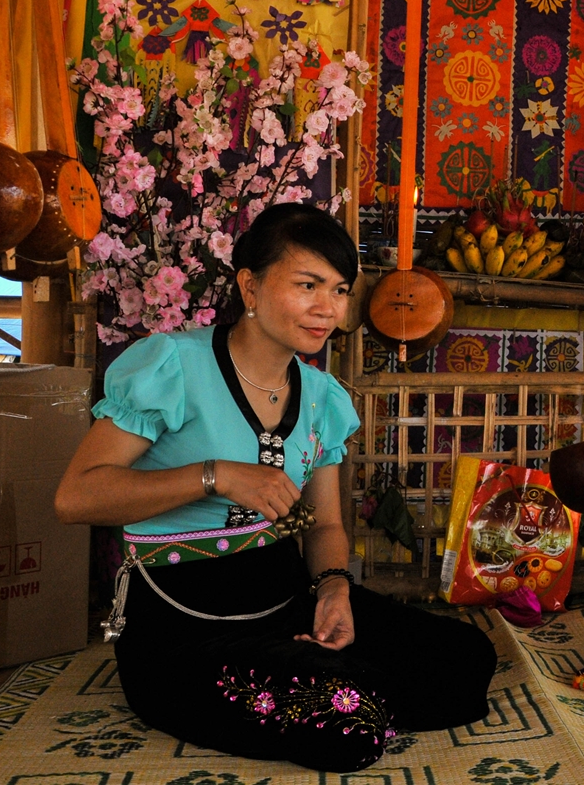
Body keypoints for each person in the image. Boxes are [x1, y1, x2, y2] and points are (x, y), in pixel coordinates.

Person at [55, 203, 496, 772]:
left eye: (339, 290)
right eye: (307, 285)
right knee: (347, 720)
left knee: (466, 658)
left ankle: (333, 676)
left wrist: (333, 588)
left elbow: (326, 524)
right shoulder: (174, 366)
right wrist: (214, 475)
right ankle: (342, 687)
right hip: (182, 620)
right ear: (251, 286)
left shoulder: (321, 396)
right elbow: (76, 497)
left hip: (285, 598)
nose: (327, 308)